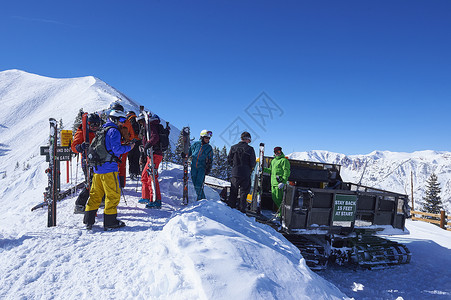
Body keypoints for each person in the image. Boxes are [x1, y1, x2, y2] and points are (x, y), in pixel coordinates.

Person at [83, 109, 135, 230]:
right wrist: (129, 147)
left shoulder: (102, 130)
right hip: (109, 169)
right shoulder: (114, 131)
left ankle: (88, 220)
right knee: (113, 195)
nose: (123, 123)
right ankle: (110, 222)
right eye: (121, 120)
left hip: (97, 169)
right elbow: (116, 150)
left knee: (95, 195)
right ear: (114, 119)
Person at [71, 113, 101, 214]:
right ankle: (79, 205)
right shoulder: (82, 133)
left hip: (98, 160)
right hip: (87, 161)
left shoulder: (98, 132)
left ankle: (100, 199)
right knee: (90, 183)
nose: (95, 127)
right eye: (93, 125)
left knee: (99, 181)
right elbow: (73, 147)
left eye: (97, 125)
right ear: (88, 124)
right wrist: (80, 147)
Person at [227, 132, 256, 212]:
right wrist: (249, 169)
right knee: (244, 193)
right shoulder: (250, 149)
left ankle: (231, 208)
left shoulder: (233, 147)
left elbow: (229, 160)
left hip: (235, 173)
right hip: (245, 174)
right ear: (248, 139)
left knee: (233, 191)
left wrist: (235, 167)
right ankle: (242, 210)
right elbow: (253, 163)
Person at [139, 114, 164, 209]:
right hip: (152, 154)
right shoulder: (151, 126)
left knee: (151, 177)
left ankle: (155, 200)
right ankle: (146, 197)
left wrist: (148, 145)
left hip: (155, 154)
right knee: (145, 175)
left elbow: (155, 137)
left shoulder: (151, 126)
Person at [188, 130, 213, 200]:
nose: (208, 140)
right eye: (206, 138)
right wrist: (185, 155)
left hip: (202, 167)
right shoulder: (196, 144)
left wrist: (208, 168)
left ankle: (201, 199)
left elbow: (210, 159)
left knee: (199, 183)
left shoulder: (209, 148)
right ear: (202, 137)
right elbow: (189, 152)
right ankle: (202, 199)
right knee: (195, 183)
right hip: (193, 166)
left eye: (208, 138)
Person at [263, 146, 291, 211]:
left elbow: (287, 172)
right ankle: (280, 212)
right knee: (275, 198)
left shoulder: (284, 160)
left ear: (281, 151)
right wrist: (263, 169)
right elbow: (270, 170)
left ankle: (282, 214)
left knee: (279, 199)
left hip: (279, 183)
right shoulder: (273, 161)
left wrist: (283, 182)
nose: (277, 153)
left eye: (279, 151)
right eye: (276, 152)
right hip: (273, 183)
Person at [125, 111, 142, 180]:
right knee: (136, 157)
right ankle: (137, 172)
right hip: (139, 141)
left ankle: (132, 173)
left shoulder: (130, 120)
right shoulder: (138, 120)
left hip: (132, 141)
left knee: (131, 158)